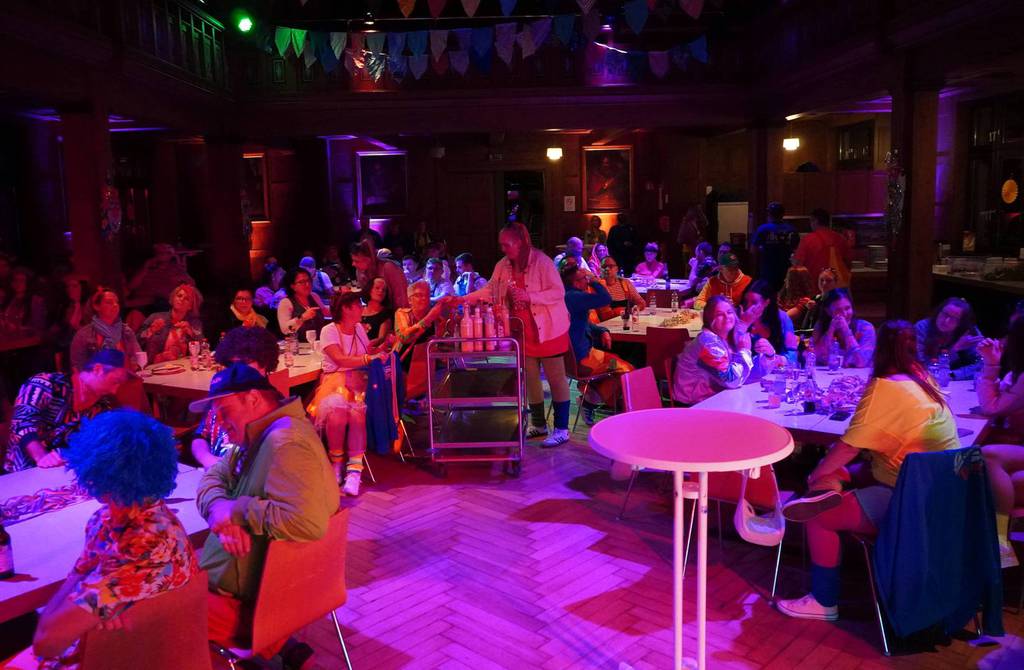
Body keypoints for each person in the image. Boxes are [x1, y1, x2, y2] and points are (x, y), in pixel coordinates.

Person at [777, 321, 960, 621]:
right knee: (842, 473)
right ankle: (828, 491)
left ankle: (823, 601)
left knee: (818, 514)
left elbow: (849, 446)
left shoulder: (885, 388)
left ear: (879, 351)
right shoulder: (923, 377)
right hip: (942, 491)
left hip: (910, 500)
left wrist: (815, 475)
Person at [192, 363, 338, 667]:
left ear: (254, 399)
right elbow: (212, 477)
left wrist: (238, 509)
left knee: (155, 612)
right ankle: (281, 649)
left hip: (251, 601)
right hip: (250, 592)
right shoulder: (258, 437)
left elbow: (306, 522)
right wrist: (220, 509)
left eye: (224, 412)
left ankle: (271, 644)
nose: (220, 423)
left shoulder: (285, 442)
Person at [31, 410, 199, 668]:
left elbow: (46, 643)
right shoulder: (122, 520)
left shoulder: (145, 544)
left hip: (137, 657)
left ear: (95, 470)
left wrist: (84, 595)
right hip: (144, 648)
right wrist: (96, 606)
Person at [460, 222, 573, 448]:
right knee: (530, 377)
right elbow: (491, 290)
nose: (503, 249)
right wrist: (463, 299)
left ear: (520, 242)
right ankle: (539, 424)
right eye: (501, 244)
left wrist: (530, 296)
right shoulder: (503, 265)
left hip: (549, 328)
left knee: (556, 378)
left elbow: (558, 292)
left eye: (506, 244)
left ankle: (562, 429)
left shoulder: (542, 261)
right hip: (522, 331)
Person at [307, 292, 392, 495]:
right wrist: (368, 359)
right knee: (337, 412)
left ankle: (355, 471)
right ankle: (336, 464)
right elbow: (341, 359)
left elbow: (367, 352)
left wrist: (384, 347)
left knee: (356, 415)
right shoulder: (329, 330)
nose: (362, 308)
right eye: (358, 305)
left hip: (357, 383)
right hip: (334, 382)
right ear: (346, 309)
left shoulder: (358, 328)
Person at [4, 349, 134, 472]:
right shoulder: (46, 384)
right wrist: (42, 457)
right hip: (24, 472)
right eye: (115, 382)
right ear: (98, 369)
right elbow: (22, 423)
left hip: (67, 471)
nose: (114, 391)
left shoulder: (100, 407)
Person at [191, 327, 281, 469]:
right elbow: (199, 436)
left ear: (265, 363)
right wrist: (207, 459)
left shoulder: (275, 409)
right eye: (230, 365)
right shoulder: (223, 395)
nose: (236, 370)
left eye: (243, 364)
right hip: (215, 474)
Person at [562, 265, 633, 425]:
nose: (586, 281)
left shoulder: (567, 296)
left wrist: (602, 330)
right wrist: (594, 280)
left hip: (576, 357)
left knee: (616, 362)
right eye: (583, 278)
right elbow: (605, 299)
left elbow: (584, 323)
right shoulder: (575, 296)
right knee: (626, 370)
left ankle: (591, 398)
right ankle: (591, 403)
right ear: (575, 283)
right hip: (583, 360)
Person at [671, 296, 755, 405]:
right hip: (692, 405)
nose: (726, 317)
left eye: (729, 312)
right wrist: (745, 352)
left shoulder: (726, 338)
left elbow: (745, 375)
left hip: (712, 398)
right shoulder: (708, 343)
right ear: (710, 319)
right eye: (720, 314)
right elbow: (730, 380)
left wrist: (768, 358)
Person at [394, 281, 450, 399]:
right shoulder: (402, 314)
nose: (424, 298)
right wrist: (429, 318)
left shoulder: (437, 319)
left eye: (427, 295)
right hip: (403, 366)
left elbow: (441, 343)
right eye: (419, 295)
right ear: (409, 300)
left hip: (425, 370)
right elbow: (404, 337)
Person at [69, 287, 142, 371]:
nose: (115, 305)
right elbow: (77, 367)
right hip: (95, 378)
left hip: (125, 376)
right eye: (109, 302)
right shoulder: (83, 335)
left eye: (117, 302)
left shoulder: (126, 331)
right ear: (96, 306)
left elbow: (138, 356)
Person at [914, 298, 983, 380]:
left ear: (961, 323)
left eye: (954, 318)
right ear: (939, 312)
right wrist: (955, 349)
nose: (946, 321)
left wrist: (952, 375)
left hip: (958, 381)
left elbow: (982, 365)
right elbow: (921, 367)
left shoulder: (970, 332)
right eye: (945, 314)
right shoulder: (923, 327)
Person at [738, 279, 799, 369]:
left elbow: (793, 356)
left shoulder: (782, 318)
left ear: (766, 302)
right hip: (744, 373)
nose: (749, 307)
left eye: (754, 302)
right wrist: (743, 325)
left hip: (774, 373)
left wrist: (773, 356)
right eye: (746, 302)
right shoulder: (738, 316)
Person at [138, 283, 204, 364]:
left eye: (187, 299)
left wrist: (191, 333)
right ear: (173, 298)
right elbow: (136, 342)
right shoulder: (154, 317)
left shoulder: (194, 323)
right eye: (179, 296)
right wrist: (150, 331)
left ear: (190, 306)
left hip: (183, 365)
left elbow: (203, 348)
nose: (181, 299)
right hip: (156, 366)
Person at [812, 288, 876, 368]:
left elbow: (861, 362)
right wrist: (830, 331)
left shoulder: (865, 328)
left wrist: (846, 331)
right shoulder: (820, 327)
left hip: (860, 375)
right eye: (838, 310)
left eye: (847, 308)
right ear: (828, 311)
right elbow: (817, 358)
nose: (845, 314)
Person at [793, 208, 852, 288]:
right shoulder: (841, 239)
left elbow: (798, 265)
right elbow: (848, 264)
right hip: (838, 288)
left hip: (816, 287)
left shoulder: (807, 239)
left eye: (811, 221)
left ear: (815, 221)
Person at [126, 243, 195, 311]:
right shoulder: (145, 267)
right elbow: (131, 286)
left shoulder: (176, 268)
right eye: (161, 252)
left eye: (168, 252)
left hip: (165, 303)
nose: (164, 255)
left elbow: (191, 284)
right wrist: (145, 268)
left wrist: (181, 278)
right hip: (143, 303)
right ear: (155, 254)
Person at [751, 202, 798, 291]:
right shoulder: (791, 229)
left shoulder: (763, 229)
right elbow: (796, 249)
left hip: (768, 270)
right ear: (782, 214)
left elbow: (753, 250)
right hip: (786, 270)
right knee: (784, 294)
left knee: (768, 294)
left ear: (769, 214)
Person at [351, 240, 409, 309]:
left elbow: (401, 296)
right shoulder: (360, 272)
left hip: (395, 311)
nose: (353, 264)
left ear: (368, 259)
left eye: (356, 261)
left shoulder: (389, 267)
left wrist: (401, 314)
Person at [49, 275, 90, 368]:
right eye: (68, 286)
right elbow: (57, 330)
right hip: (67, 347)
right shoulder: (64, 307)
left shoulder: (89, 306)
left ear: (82, 288)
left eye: (74, 286)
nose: (70, 289)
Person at [276, 267, 327, 340]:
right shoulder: (285, 302)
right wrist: (302, 318)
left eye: (308, 280)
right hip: (299, 344)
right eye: (302, 282)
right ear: (293, 286)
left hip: (319, 342)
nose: (307, 284)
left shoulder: (314, 296)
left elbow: (326, 312)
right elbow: (285, 329)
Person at [1, 267, 47, 337]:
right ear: (11, 283)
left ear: (28, 283)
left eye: (22, 280)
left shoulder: (36, 301)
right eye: (15, 280)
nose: (18, 283)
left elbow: (39, 328)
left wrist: (17, 329)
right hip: (7, 338)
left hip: (25, 340)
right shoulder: (8, 299)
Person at [361, 276, 394, 348]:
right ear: (369, 290)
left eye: (384, 290)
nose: (381, 291)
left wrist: (365, 345)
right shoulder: (359, 310)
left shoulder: (386, 313)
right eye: (377, 288)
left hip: (373, 350)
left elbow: (381, 339)